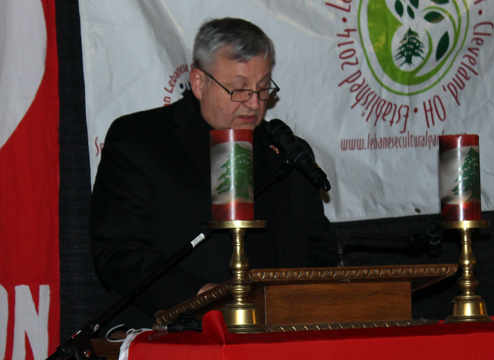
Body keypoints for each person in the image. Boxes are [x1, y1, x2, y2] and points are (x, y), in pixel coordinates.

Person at [90, 17, 336, 329]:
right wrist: (202, 298)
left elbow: (318, 247)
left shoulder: (286, 154)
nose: (254, 103)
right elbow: (118, 251)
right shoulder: (140, 139)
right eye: (239, 89)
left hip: (274, 335)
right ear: (198, 82)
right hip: (170, 335)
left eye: (263, 88)